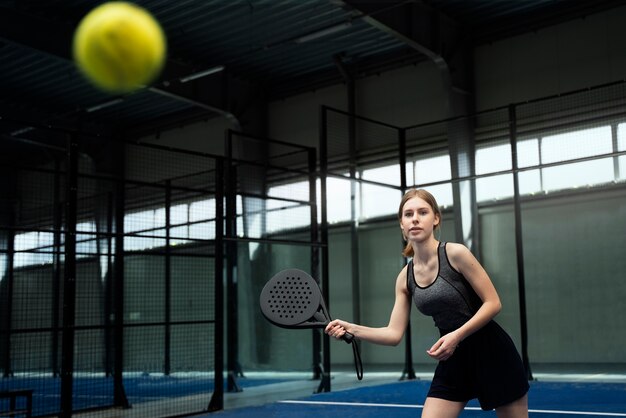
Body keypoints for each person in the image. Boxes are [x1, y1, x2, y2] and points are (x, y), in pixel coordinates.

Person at [325, 188, 529, 418]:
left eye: (422, 212)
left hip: (492, 352)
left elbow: (493, 303)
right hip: (452, 359)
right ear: (401, 224)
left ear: (436, 218)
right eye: (408, 214)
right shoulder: (405, 277)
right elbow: (393, 334)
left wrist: (456, 336)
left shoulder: (456, 253)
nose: (415, 218)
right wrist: (351, 328)